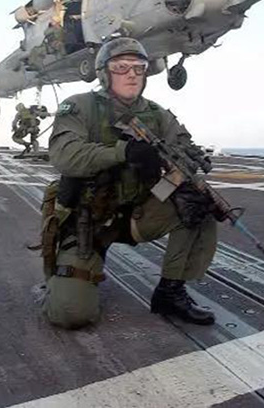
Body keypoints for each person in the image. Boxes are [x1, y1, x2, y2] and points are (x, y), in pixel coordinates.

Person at [42, 37, 218, 329]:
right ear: (104, 72)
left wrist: (182, 166)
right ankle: (63, 277)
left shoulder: (157, 114)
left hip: (138, 212)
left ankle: (170, 291)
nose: (132, 74)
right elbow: (64, 156)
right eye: (121, 67)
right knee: (71, 314)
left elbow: (183, 147)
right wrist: (123, 152)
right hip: (90, 220)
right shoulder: (80, 106)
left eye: (139, 68)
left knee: (198, 204)